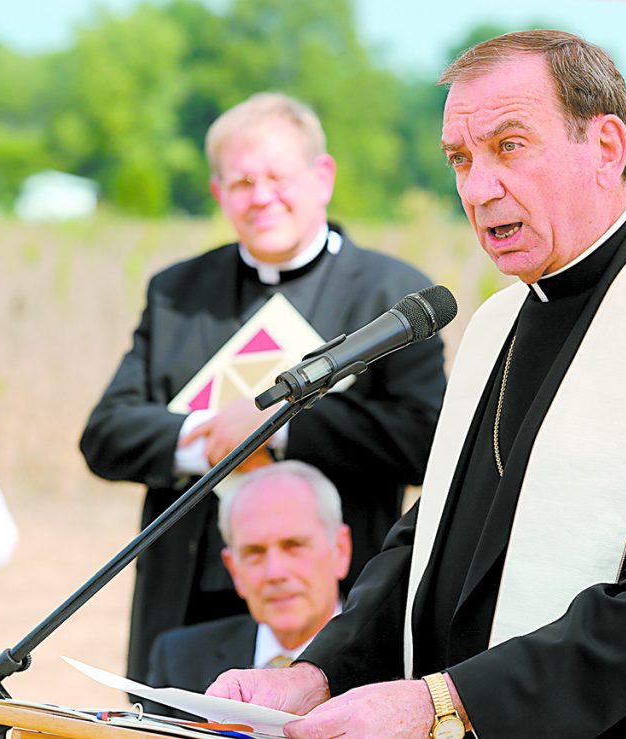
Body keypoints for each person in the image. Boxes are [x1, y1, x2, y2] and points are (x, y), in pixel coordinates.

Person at [206, 30, 626, 738]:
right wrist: (315, 671)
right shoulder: (498, 321)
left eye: (510, 146)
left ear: (605, 147)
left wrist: (442, 702)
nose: (479, 189)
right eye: (460, 158)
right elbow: (432, 539)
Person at [79, 92, 446, 684]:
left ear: (322, 177)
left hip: (334, 608)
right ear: (219, 191)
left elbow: (425, 440)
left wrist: (279, 429)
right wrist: (206, 439)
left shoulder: (392, 296)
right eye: (242, 182)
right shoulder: (178, 292)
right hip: (189, 599)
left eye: (278, 176)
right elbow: (106, 434)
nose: (261, 197)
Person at [143, 461, 351, 717]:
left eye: (294, 545)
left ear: (341, 550)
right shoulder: (179, 661)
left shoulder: (398, 669)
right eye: (254, 552)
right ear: (234, 569)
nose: (275, 573)